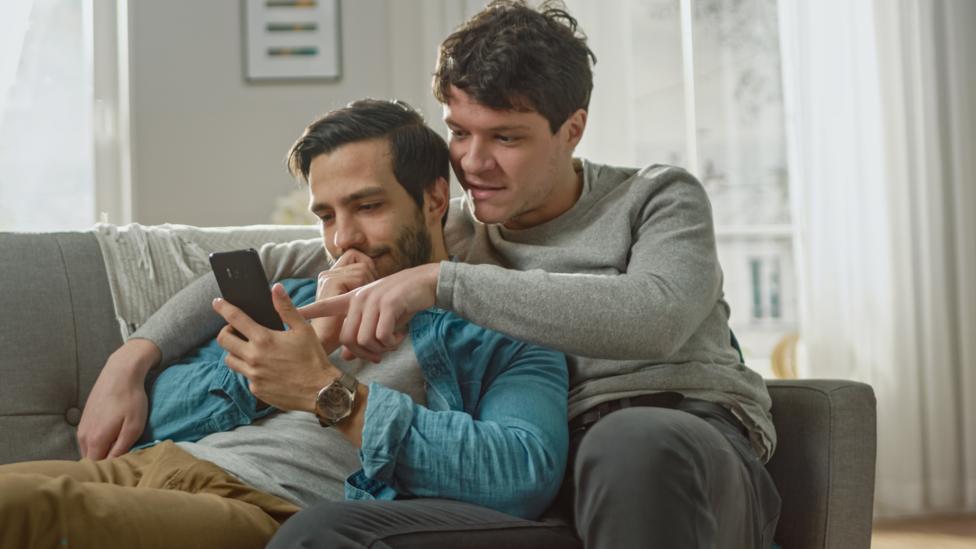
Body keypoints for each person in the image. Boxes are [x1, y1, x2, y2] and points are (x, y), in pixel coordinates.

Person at [82, 1, 782, 547]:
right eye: (459, 130)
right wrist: (132, 355)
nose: (472, 161)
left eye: (505, 137)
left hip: (676, 438)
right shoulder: (453, 223)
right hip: (546, 468)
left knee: (631, 445)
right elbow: (263, 265)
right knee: (326, 531)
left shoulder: (655, 197)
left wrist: (438, 284)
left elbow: (653, 318)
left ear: (572, 129)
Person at [0, 99, 569, 548]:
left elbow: (521, 473)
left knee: (21, 515)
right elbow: (156, 420)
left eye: (367, 207)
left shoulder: (497, 324)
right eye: (327, 216)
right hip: (154, 468)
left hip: (264, 509)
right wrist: (292, 352)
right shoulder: (298, 295)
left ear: (434, 198)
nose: (343, 238)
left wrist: (327, 390)